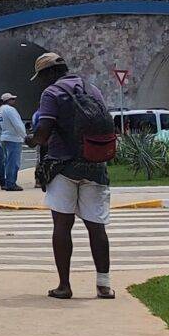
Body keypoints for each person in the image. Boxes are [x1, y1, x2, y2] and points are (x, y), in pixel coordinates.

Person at [28, 52, 113, 300]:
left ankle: (64, 285)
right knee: (96, 226)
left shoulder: (51, 94)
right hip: (96, 165)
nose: (42, 83)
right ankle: (104, 285)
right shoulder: (92, 89)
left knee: (62, 226)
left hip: (62, 168)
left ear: (49, 73)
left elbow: (43, 134)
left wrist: (31, 139)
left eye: (41, 77)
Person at [0, 92, 28, 191]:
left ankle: (8, 182)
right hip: (13, 138)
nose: (14, 101)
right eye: (12, 99)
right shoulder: (10, 110)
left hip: (4, 138)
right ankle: (11, 183)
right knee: (14, 162)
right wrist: (25, 136)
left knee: (8, 162)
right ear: (8, 101)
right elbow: (17, 124)